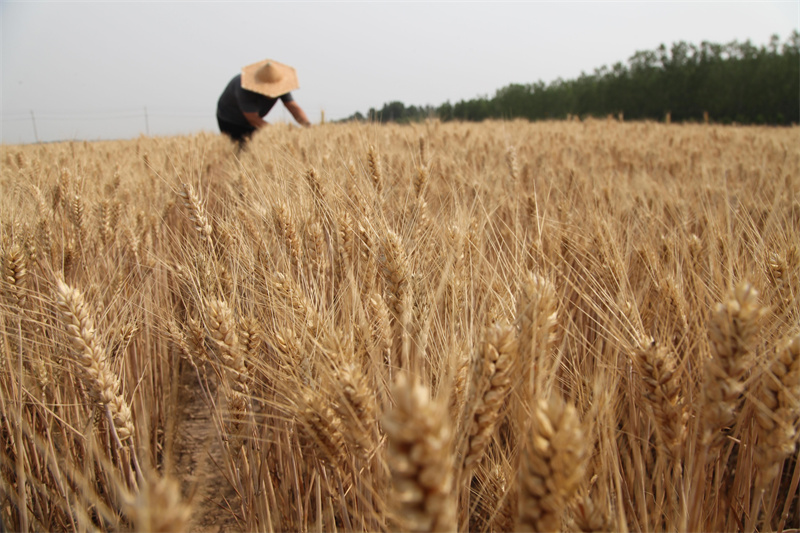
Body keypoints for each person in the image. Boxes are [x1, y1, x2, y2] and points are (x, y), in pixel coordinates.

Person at [216, 59, 311, 147]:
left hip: (252, 121)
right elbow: (252, 119)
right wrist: (280, 132)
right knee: (241, 148)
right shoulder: (244, 87)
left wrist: (308, 126)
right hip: (230, 120)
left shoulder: (280, 85)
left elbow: (293, 107)